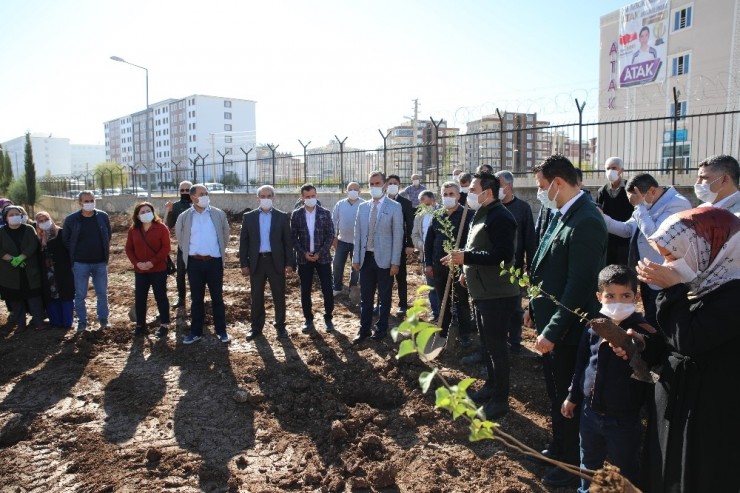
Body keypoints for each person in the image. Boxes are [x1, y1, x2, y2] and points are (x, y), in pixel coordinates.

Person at [633, 207, 739, 492]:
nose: (666, 264)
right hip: (677, 401)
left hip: (708, 411)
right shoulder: (697, 284)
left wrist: (670, 291)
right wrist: (644, 344)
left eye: (672, 256)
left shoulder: (733, 293)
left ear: (705, 250)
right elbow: (672, 339)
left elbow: (690, 341)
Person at [524, 155, 607, 487]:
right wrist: (533, 305)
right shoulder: (562, 213)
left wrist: (553, 331)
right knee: (555, 393)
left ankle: (571, 463)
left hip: (569, 331)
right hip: (551, 322)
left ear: (558, 182)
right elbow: (544, 265)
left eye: (543, 186)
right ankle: (558, 448)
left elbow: (579, 285)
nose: (541, 192)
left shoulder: (586, 220)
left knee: (569, 399)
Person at [562, 265, 664, 492]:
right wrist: (572, 396)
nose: (618, 302)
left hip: (624, 419)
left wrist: (637, 344)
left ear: (636, 297)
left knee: (626, 468)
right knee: (588, 464)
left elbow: (651, 348)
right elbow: (581, 364)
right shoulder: (594, 327)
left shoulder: (641, 328)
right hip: (590, 413)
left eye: (625, 296)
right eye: (610, 296)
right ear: (599, 297)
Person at [443, 172, 519, 419]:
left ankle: (500, 399)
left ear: (488, 191)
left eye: (474, 189)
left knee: (498, 348)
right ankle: (491, 386)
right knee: (487, 345)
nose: (469, 194)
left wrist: (466, 259)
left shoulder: (501, 217)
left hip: (497, 294)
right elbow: (477, 248)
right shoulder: (482, 213)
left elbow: (502, 256)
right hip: (482, 291)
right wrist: (466, 267)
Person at [601, 173, 691, 325]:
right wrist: (602, 218)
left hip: (667, 276)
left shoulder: (677, 204)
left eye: (637, 199)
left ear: (652, 191)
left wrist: (639, 206)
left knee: (663, 321)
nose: (635, 204)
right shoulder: (644, 204)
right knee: (651, 318)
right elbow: (627, 229)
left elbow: (656, 236)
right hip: (647, 275)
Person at [351, 171, 403, 343]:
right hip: (366, 259)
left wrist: (395, 262)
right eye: (371, 184)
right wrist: (356, 258)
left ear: (385, 185)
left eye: (377, 183)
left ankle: (381, 330)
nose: (374, 187)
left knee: (384, 297)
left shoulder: (394, 207)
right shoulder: (363, 207)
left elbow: (398, 236)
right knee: (366, 298)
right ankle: (364, 329)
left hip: (385, 261)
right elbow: (357, 235)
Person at [175, 184, 231, 344]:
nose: (206, 196)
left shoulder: (218, 214)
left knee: (217, 298)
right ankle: (195, 332)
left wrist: (215, 252)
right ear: (193, 197)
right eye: (202, 193)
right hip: (194, 264)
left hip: (214, 263)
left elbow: (225, 236)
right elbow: (181, 240)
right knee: (196, 299)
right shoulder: (184, 217)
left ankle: (221, 331)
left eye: (206, 193)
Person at [239, 185, 295, 340]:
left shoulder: (282, 217)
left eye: (269, 196)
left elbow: (287, 242)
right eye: (262, 196)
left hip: (275, 261)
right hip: (256, 262)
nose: (266, 199)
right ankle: (256, 327)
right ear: (258, 198)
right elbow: (244, 242)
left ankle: (280, 326)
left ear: (273, 198)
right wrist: (244, 263)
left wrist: (289, 262)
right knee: (256, 296)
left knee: (279, 295)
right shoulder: (248, 217)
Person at [425, 182, 472, 343]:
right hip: (439, 266)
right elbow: (429, 242)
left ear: (459, 196)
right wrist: (428, 264)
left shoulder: (468, 215)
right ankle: (443, 331)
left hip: (459, 267)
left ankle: (465, 333)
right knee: (442, 300)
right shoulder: (437, 215)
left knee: (461, 300)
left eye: (451, 194)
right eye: (445, 194)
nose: (448, 197)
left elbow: (471, 242)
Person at [496, 171, 537, 353]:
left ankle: (514, 342)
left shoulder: (522, 208)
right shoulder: (491, 207)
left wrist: (530, 266)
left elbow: (529, 239)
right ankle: (497, 342)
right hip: (493, 267)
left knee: (514, 307)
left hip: (515, 268)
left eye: (499, 185)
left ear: (509, 186)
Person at [62, 191, 112, 333]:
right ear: (80, 203)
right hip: (80, 263)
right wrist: (77, 252)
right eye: (86, 201)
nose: (89, 203)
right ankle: (82, 321)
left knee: (102, 292)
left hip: (100, 262)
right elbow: (66, 240)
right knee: (80, 294)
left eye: (91, 200)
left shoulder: (102, 217)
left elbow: (107, 235)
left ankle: (103, 319)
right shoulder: (72, 220)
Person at [291, 184, 335, 333]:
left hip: (323, 258)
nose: (311, 199)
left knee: (327, 288)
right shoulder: (296, 215)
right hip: (304, 259)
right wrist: (303, 253)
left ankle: (328, 317)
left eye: (313, 196)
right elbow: (293, 238)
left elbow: (330, 235)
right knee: (305, 290)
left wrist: (320, 253)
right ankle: (308, 319)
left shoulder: (325, 213)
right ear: (302, 197)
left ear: (316, 195)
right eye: (307, 196)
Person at [125, 202, 171, 339]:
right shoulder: (133, 230)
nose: (146, 214)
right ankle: (140, 325)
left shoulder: (161, 228)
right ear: (137, 216)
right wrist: (137, 263)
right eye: (142, 212)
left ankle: (164, 324)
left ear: (153, 212)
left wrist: (152, 262)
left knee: (161, 297)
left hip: (158, 270)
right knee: (140, 298)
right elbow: (129, 249)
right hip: (140, 271)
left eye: (148, 211)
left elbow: (166, 248)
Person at [0, 206, 45, 330]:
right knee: (16, 299)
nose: (14, 216)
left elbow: (33, 244)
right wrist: (12, 259)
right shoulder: (2, 232)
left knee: (34, 297)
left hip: (29, 269)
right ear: (6, 218)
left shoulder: (29, 229)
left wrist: (21, 258)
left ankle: (38, 321)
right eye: (11, 215)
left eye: (17, 214)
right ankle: (20, 324)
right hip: (9, 271)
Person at [35, 211, 74, 330]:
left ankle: (67, 322)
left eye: (45, 219)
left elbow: (69, 250)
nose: (43, 223)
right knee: (50, 296)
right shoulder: (38, 237)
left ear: (50, 219)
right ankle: (56, 322)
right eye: (40, 221)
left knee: (65, 295)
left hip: (63, 270)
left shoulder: (61, 233)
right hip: (46, 272)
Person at [385, 174, 415, 315]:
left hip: (400, 245)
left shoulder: (405, 203)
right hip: (383, 245)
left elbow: (410, 225)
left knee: (401, 275)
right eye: (390, 183)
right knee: (383, 276)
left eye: (395, 183)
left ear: (400, 186)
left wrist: (410, 244)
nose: (392, 185)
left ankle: (402, 304)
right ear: (385, 185)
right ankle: (383, 303)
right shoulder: (380, 201)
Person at [596, 157, 632, 265]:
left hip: (625, 237)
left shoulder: (629, 189)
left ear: (621, 170)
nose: (610, 171)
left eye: (614, 168)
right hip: (608, 239)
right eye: (608, 168)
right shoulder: (602, 191)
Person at [164, 180, 193, 308]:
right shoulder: (175, 206)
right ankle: (181, 298)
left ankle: (195, 296)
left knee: (194, 274)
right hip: (182, 245)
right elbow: (167, 226)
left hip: (197, 246)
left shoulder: (197, 205)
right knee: (180, 273)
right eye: (182, 190)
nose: (185, 192)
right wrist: (169, 211)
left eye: (187, 190)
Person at [412, 190, 440, 321]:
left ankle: (449, 314)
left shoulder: (442, 213)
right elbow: (415, 235)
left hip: (441, 256)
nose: (424, 206)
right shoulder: (419, 216)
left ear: (433, 200)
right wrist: (421, 245)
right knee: (431, 285)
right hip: (426, 256)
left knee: (445, 285)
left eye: (426, 203)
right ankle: (436, 313)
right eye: (422, 203)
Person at [332, 182, 362, 297]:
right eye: (350, 189)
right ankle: (337, 286)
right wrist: (334, 236)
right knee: (337, 264)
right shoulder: (340, 204)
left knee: (356, 267)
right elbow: (334, 221)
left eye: (355, 189)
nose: (353, 191)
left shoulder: (363, 204)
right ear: (346, 191)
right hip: (342, 241)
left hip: (357, 242)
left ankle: (353, 288)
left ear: (359, 191)